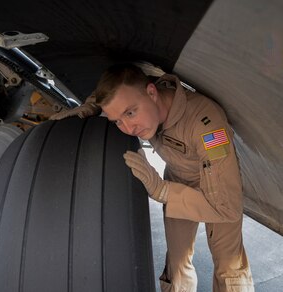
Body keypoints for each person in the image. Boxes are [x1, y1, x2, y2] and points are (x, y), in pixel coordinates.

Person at [51, 63, 254, 292]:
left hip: (219, 190)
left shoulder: (208, 127)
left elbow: (228, 208)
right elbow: (113, 97)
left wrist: (163, 191)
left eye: (130, 113)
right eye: (117, 121)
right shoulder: (139, 97)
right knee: (176, 265)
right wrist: (89, 107)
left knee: (229, 267)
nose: (127, 127)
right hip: (178, 179)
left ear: (151, 92)